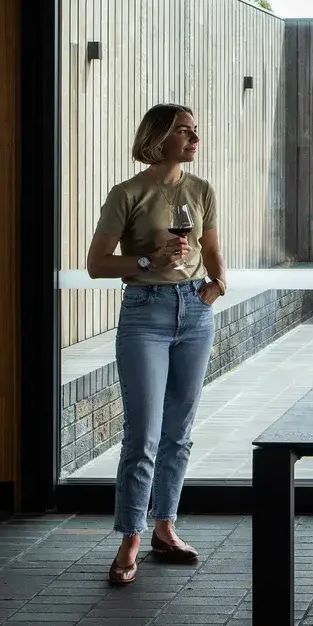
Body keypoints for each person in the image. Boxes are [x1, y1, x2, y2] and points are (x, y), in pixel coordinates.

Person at [86, 103, 226, 584]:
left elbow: (210, 251)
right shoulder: (128, 193)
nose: (194, 137)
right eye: (184, 130)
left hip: (195, 312)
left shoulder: (201, 189)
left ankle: (166, 527)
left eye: (195, 130)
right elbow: (98, 264)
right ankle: (131, 538)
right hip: (145, 312)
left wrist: (218, 283)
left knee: (179, 431)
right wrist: (148, 261)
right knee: (143, 435)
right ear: (159, 138)